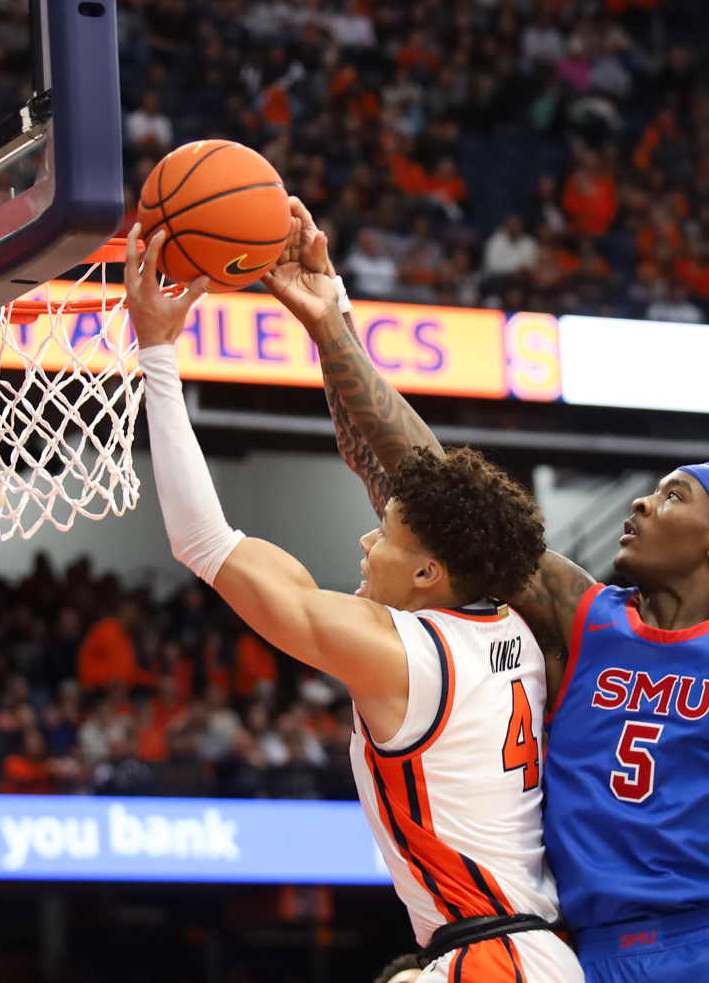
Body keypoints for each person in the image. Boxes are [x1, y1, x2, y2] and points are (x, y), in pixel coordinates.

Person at [261, 197, 709, 983]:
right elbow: (434, 485)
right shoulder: (582, 613)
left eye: (673, 496)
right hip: (585, 959)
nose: (642, 502)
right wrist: (332, 326)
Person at [125, 226, 580, 983]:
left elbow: (206, 544)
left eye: (387, 535)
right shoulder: (515, 623)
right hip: (536, 953)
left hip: (495, 960)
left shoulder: (402, 651)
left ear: (431, 572)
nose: (368, 542)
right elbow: (377, 457)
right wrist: (328, 315)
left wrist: (158, 354)